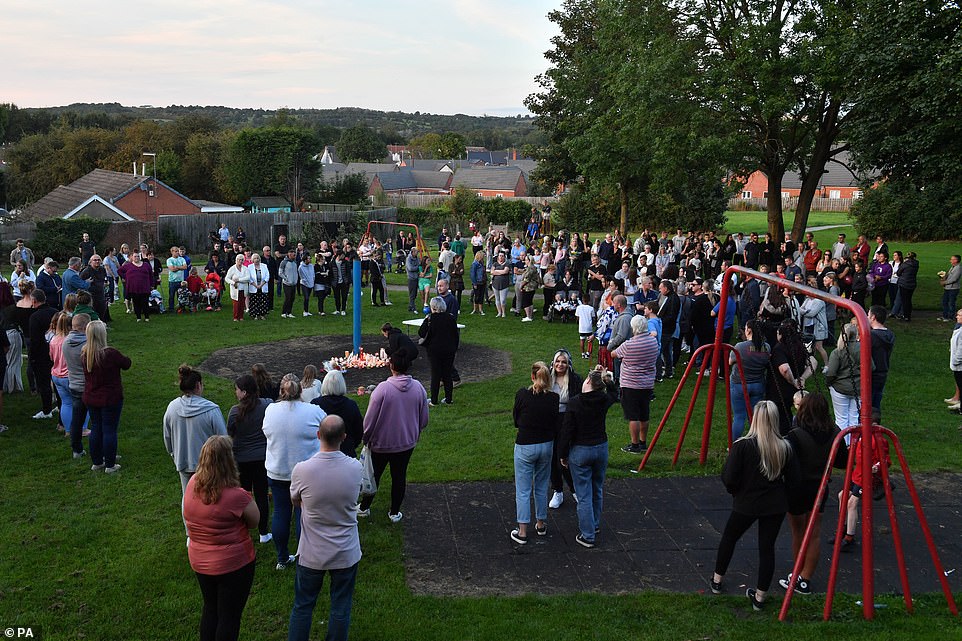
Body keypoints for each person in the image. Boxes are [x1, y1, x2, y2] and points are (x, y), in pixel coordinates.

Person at [710, 400, 799, 611]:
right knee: (766, 548)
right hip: (774, 505)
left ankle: (717, 580)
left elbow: (729, 477)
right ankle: (760, 597)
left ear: (755, 419)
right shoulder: (784, 448)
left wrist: (736, 492)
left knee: (730, 537)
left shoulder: (743, 446)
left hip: (746, 502)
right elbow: (795, 481)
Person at [288, 415, 363, 641]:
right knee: (341, 606)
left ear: (318, 435)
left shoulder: (302, 470)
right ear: (344, 437)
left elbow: (295, 500)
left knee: (303, 605)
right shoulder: (355, 467)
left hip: (312, 553)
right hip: (345, 551)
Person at [183, 435, 258, 641]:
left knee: (211, 607)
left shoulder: (192, 484)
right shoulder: (237, 496)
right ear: (229, 460)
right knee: (229, 616)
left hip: (200, 560)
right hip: (233, 564)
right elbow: (254, 521)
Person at [780, 392, 846, 595]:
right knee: (814, 533)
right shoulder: (835, 432)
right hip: (820, 486)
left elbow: (787, 464)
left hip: (797, 488)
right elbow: (843, 462)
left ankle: (797, 572)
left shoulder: (795, 435)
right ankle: (805, 578)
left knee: (798, 531)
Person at [263, 374, 327, 570]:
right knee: (302, 513)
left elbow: (266, 432)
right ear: (301, 391)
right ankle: (301, 556)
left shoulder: (271, 410)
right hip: (306, 473)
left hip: (278, 471)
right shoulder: (313, 411)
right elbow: (327, 430)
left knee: (281, 512)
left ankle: (282, 558)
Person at [357, 352, 430, 522]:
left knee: (374, 475)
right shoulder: (418, 387)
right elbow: (424, 418)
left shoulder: (382, 389)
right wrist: (415, 431)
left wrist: (366, 438)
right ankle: (394, 512)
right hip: (406, 443)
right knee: (399, 476)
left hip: (380, 444)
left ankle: (364, 507)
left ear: (391, 366)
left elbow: (369, 419)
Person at [559, 366, 618, 548]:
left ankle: (588, 535)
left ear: (589, 383)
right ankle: (594, 523)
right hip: (600, 447)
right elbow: (615, 394)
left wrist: (562, 454)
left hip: (581, 450)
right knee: (597, 488)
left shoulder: (575, 403)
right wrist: (607, 379)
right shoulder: (603, 399)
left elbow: (567, 431)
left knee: (583, 494)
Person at [163, 365, 229, 527]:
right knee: (212, 497)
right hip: (209, 464)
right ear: (198, 385)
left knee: (188, 497)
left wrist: (173, 453)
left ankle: (190, 532)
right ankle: (212, 528)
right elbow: (223, 439)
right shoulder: (212, 410)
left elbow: (167, 436)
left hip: (183, 461)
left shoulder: (172, 408)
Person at [510, 362, 560, 544]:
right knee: (541, 486)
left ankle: (522, 531)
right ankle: (540, 524)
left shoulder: (522, 395)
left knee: (523, 489)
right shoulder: (554, 398)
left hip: (525, 445)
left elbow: (516, 419)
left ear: (532, 377)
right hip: (546, 445)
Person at [227, 374, 273, 544]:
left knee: (242, 496)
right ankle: (263, 533)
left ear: (244, 392)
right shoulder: (267, 406)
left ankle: (243, 529)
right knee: (261, 495)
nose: (235, 392)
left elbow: (229, 433)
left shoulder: (234, 412)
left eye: (237, 390)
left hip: (241, 460)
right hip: (261, 458)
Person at [83, 320, 131, 474]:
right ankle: (110, 464)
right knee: (109, 429)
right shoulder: (109, 354)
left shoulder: (85, 354)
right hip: (110, 397)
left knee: (97, 427)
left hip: (92, 396)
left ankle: (97, 461)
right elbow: (127, 364)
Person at [612, 315, 658, 454]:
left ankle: (635, 445)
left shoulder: (629, 344)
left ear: (634, 328)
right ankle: (643, 442)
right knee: (644, 414)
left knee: (633, 416)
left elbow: (614, 353)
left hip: (630, 384)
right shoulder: (653, 342)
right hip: (647, 383)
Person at [767, 321, 815, 434]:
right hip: (794, 389)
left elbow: (784, 369)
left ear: (780, 334)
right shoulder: (799, 346)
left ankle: (784, 436)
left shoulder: (779, 348)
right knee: (790, 412)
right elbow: (813, 362)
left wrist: (793, 380)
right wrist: (802, 378)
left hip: (779, 389)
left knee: (781, 416)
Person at [548, 350, 581, 509]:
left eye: (564, 362)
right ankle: (557, 490)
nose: (560, 365)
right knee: (553, 457)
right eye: (558, 361)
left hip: (568, 421)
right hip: (550, 421)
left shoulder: (574, 380)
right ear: (553, 363)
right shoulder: (548, 378)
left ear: (568, 364)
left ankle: (574, 489)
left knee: (565, 457)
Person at [729, 320, 771, 440]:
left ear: (749, 330)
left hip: (739, 384)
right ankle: (756, 440)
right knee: (754, 416)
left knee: (739, 416)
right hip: (758, 384)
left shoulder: (740, 347)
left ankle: (734, 444)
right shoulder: (766, 347)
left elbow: (730, 362)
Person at [418, 297, 459, 406]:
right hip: (449, 350)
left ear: (433, 307)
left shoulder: (430, 319)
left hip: (434, 350)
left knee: (435, 375)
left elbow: (421, 333)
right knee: (447, 374)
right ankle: (448, 399)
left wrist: (426, 320)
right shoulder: (450, 318)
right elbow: (455, 335)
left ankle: (434, 400)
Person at [311, 370, 364, 457]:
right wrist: (352, 445)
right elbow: (358, 430)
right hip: (346, 450)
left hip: (321, 451)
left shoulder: (316, 404)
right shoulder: (351, 405)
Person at [63, 314, 91, 457]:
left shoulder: (66, 342)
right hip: (89, 385)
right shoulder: (88, 344)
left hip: (74, 385)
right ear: (86, 327)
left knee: (77, 419)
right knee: (98, 419)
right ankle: (101, 451)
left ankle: (77, 450)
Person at [27, 290, 58, 419]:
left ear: (34, 301)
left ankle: (47, 410)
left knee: (44, 383)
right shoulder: (55, 312)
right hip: (56, 351)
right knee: (57, 380)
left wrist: (32, 356)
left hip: (42, 354)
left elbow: (34, 340)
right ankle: (60, 404)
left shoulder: (35, 317)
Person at [868, 306, 895, 411]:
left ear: (873, 317)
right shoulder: (890, 334)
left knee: (867, 403)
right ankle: (876, 422)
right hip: (883, 371)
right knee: (877, 401)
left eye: (868, 315)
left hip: (871, 373)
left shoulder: (871, 336)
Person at [117, 251, 154, 322]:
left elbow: (151, 275)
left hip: (145, 287)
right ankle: (138, 317)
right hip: (134, 288)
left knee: (145, 303)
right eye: (135, 256)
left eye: (138, 256)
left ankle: (147, 317)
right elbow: (119, 271)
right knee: (136, 303)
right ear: (132, 257)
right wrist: (126, 277)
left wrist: (151, 284)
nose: (136, 258)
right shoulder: (128, 266)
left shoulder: (146, 265)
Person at [225, 254, 249, 322]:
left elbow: (248, 278)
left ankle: (241, 317)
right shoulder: (232, 269)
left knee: (242, 303)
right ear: (236, 260)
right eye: (239, 259)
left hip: (243, 289)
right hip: (235, 289)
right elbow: (227, 278)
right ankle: (235, 317)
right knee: (236, 303)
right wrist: (233, 282)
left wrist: (239, 280)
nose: (240, 261)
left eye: (242, 260)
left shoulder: (245, 269)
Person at [895, 251, 919, 321]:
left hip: (904, 283)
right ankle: (908, 314)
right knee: (908, 299)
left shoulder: (905, 264)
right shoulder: (916, 264)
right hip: (912, 283)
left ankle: (905, 315)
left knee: (904, 300)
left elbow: (899, 273)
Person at [246, 253, 271, 320]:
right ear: (252, 260)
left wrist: (261, 285)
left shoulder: (264, 266)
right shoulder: (249, 267)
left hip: (263, 286)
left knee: (263, 301)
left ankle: (262, 315)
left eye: (257, 258)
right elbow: (249, 278)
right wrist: (256, 285)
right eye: (255, 258)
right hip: (254, 287)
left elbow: (267, 276)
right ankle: (255, 315)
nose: (256, 260)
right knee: (254, 301)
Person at [490, 252, 511, 318]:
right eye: (500, 256)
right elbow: (492, 272)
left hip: (504, 284)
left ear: (504, 257)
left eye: (502, 256)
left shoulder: (507, 264)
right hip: (495, 284)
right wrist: (500, 272)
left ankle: (503, 312)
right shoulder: (495, 264)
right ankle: (499, 312)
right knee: (497, 299)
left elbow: (505, 271)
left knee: (503, 300)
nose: (501, 257)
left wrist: (497, 272)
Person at [166, 247, 188, 312]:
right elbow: (172, 269)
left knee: (181, 295)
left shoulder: (182, 259)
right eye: (176, 251)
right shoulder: (169, 260)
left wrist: (177, 267)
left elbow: (185, 267)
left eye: (178, 251)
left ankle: (181, 307)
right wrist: (180, 267)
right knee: (171, 295)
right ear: (172, 252)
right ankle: (171, 308)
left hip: (181, 280)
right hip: (172, 280)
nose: (177, 252)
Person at [470, 250, 487, 316]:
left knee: (481, 296)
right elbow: (472, 274)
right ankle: (475, 309)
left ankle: (480, 309)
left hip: (483, 281)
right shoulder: (475, 264)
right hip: (477, 282)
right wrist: (474, 283)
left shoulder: (482, 263)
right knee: (477, 296)